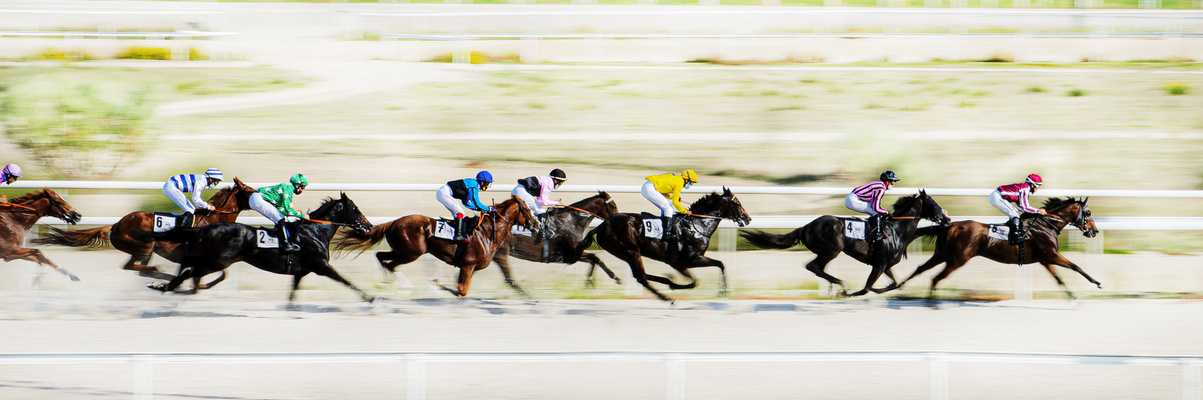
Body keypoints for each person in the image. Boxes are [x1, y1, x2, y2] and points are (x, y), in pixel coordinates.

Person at [250, 174, 309, 253]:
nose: (302, 190)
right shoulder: (289, 190)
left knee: (280, 217)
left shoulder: (288, 188)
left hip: (258, 198)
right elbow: (289, 210)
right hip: (258, 199)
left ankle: (279, 240)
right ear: (297, 186)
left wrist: (293, 213)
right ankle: (286, 245)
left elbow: (282, 209)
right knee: (280, 218)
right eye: (303, 187)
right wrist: (302, 215)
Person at [437, 171, 494, 241]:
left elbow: (466, 202)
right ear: (482, 182)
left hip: (444, 192)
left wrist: (476, 209)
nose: (487, 186)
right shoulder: (474, 186)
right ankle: (458, 235)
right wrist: (489, 209)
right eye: (487, 183)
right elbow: (477, 202)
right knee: (460, 212)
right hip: (444, 193)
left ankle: (454, 233)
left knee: (457, 214)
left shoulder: (473, 185)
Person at [990, 173, 1047, 244]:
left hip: (997, 195)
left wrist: (1035, 211)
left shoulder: (1024, 188)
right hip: (997, 197)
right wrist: (1038, 211)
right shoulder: (1025, 189)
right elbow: (1025, 207)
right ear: (1032, 185)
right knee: (1015, 214)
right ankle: (1016, 237)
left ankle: (1011, 233)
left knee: (1015, 213)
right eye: (1038, 186)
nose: (1037, 189)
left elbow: (1020, 207)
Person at [643, 169, 697, 241]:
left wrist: (673, 197)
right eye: (691, 182)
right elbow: (675, 202)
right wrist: (685, 211)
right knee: (668, 209)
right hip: (650, 188)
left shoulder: (678, 179)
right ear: (687, 180)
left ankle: (663, 228)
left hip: (649, 187)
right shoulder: (679, 183)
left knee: (668, 207)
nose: (691, 185)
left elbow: (663, 192)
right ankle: (666, 233)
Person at [513, 168, 566, 242]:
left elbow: (539, 200)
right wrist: (556, 203)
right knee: (540, 211)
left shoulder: (546, 180)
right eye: (560, 183)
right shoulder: (549, 183)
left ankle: (534, 229)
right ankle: (542, 234)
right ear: (556, 180)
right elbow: (543, 201)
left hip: (518, 190)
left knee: (533, 212)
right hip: (522, 192)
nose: (560, 185)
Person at [846, 171, 899, 242]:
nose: (893, 185)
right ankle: (877, 234)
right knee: (876, 213)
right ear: (887, 182)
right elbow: (876, 208)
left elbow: (875, 205)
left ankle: (872, 230)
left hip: (853, 198)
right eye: (892, 182)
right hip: (853, 200)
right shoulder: (881, 188)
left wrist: (884, 211)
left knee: (874, 212)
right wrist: (887, 212)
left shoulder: (879, 185)